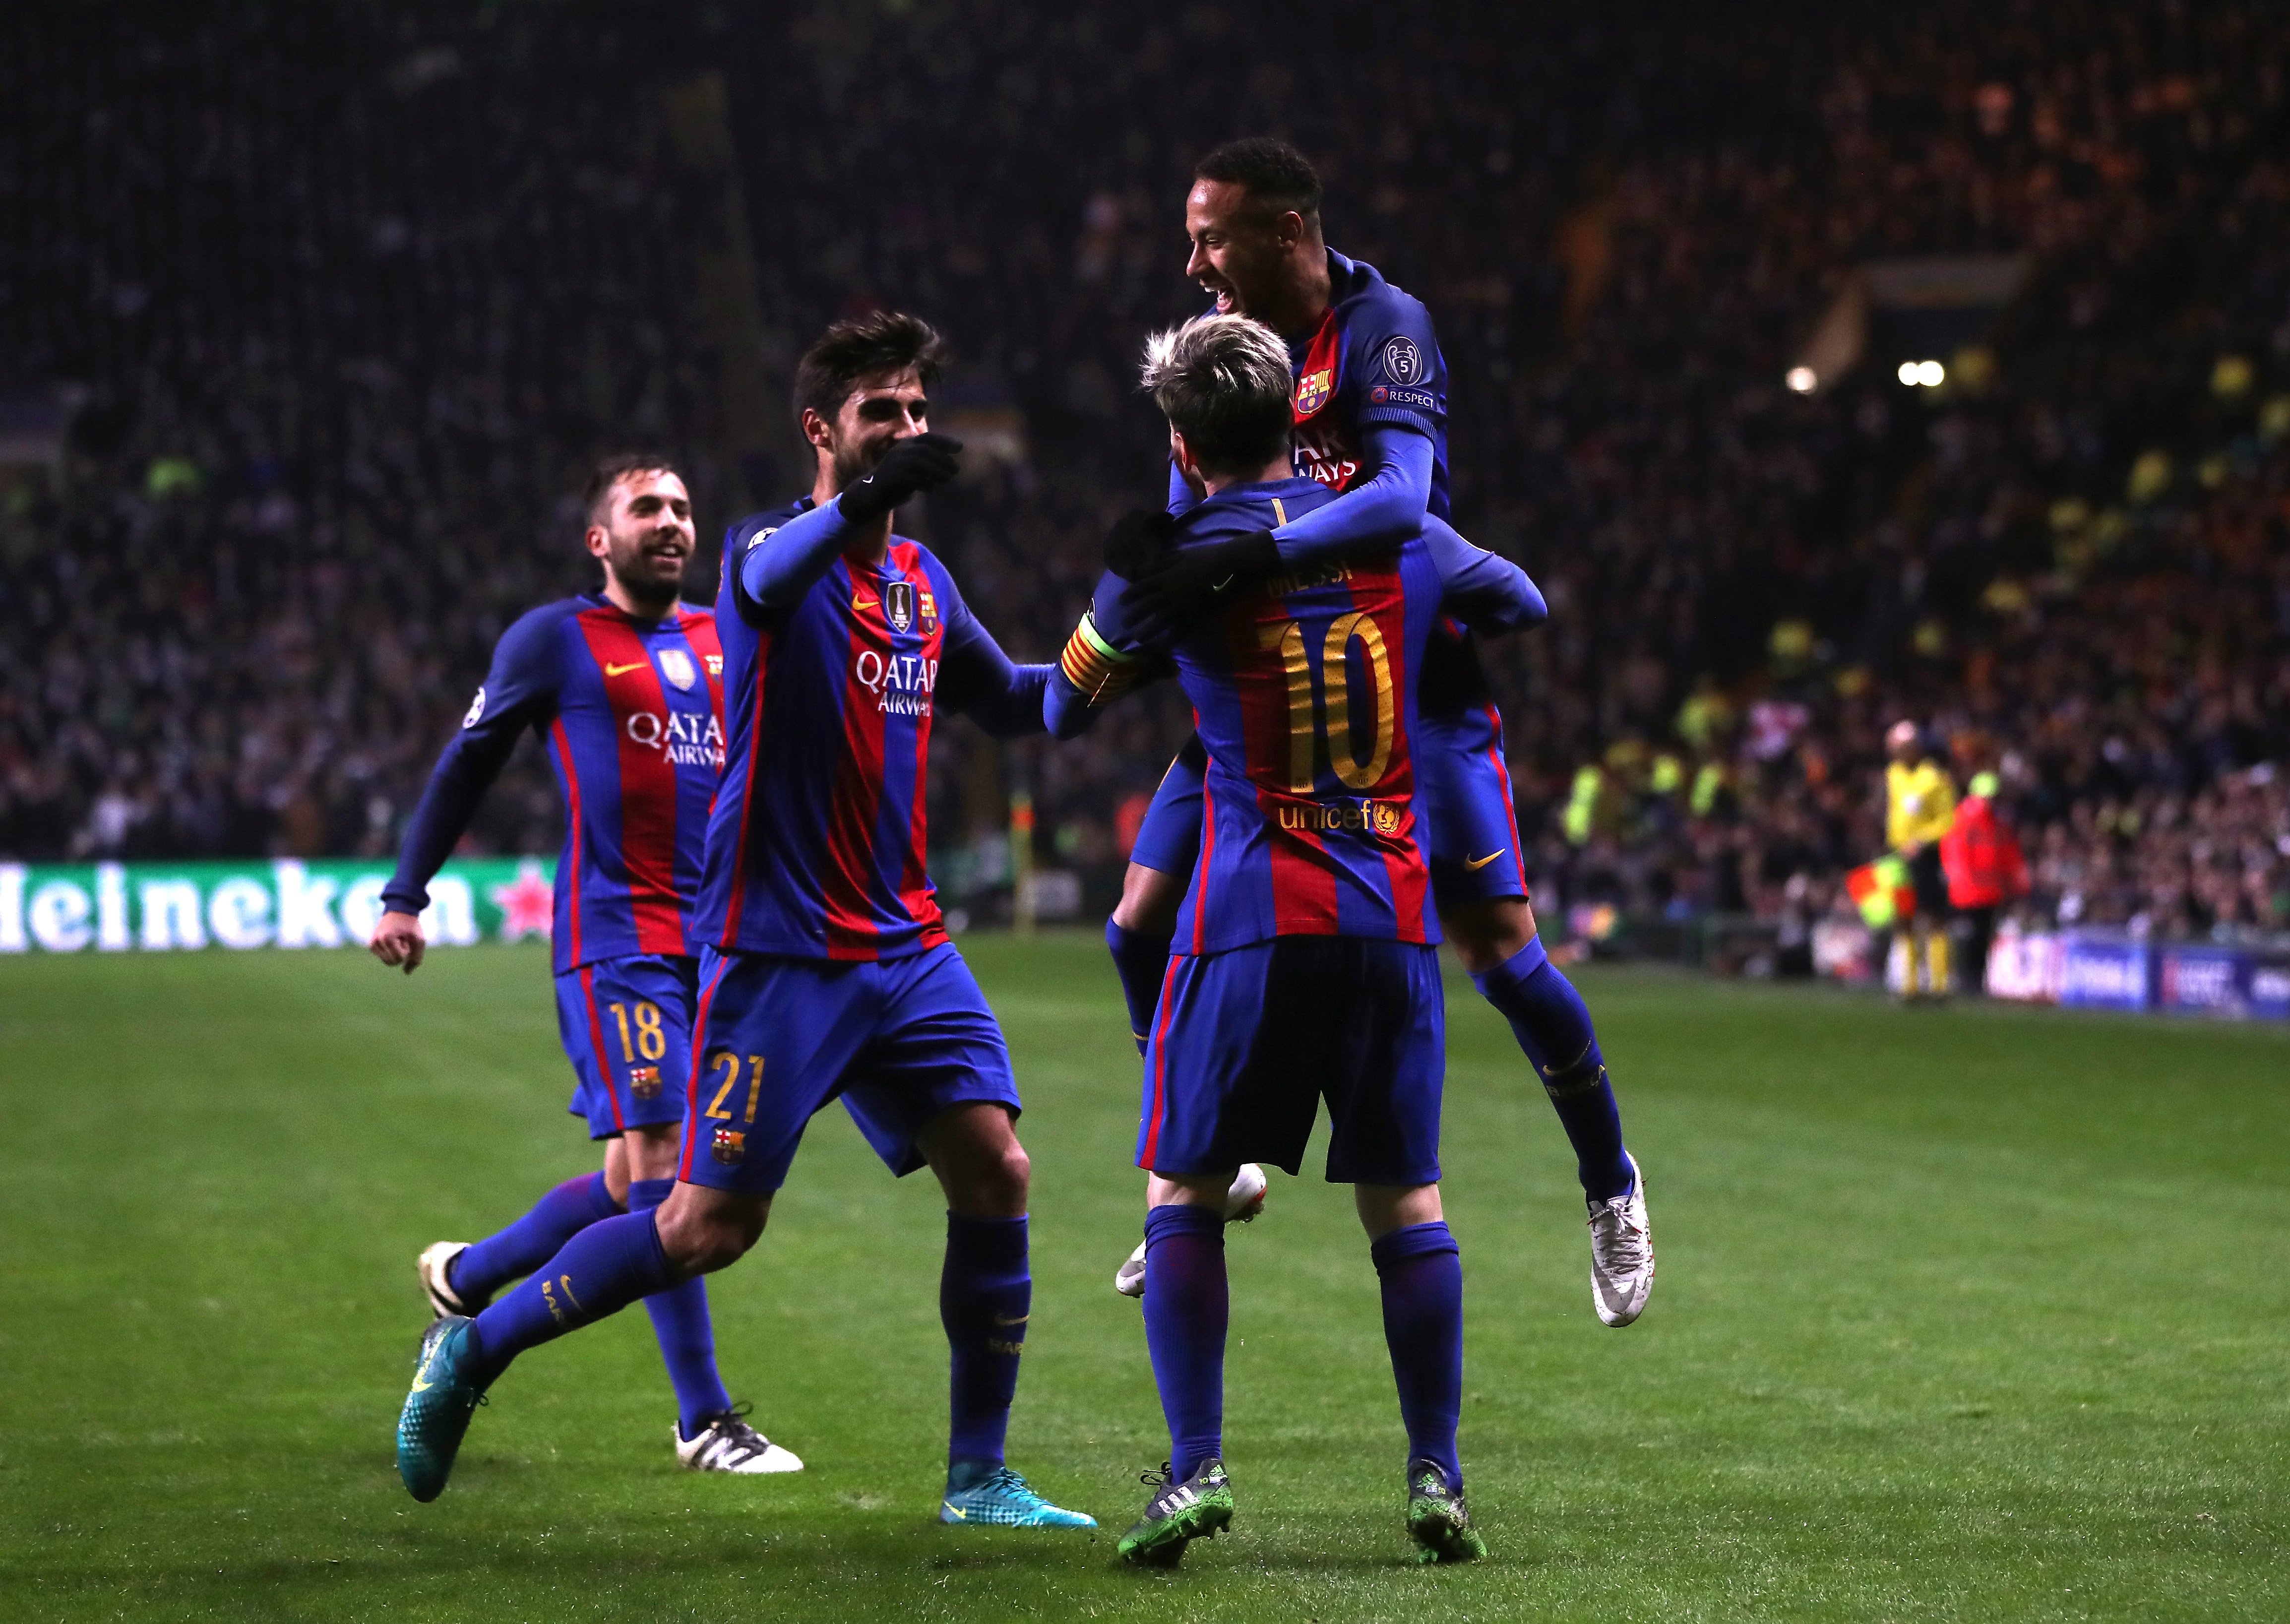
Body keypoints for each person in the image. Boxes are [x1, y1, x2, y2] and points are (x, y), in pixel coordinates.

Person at [391, 313, 1093, 1529]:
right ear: (823, 430)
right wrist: (863, 494)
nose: (910, 432)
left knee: (998, 1167)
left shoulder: (924, 583)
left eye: (920, 413)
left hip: (908, 947)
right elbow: (767, 575)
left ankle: (977, 1475)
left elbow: (1029, 701)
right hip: (782, 956)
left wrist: (1127, 628)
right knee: (701, 1223)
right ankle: (481, 1341)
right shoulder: (770, 553)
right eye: (883, 413)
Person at [1102, 137, 1651, 1327]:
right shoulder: (1217, 359)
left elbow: (1402, 502)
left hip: (1405, 682)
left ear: (1286, 230)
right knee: (1134, 922)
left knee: (1502, 953)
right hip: (1266, 687)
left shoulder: (1380, 322)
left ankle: (1608, 1181)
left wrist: (1264, 545)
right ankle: (1220, 1153)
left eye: (1211, 236)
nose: (1192, 261)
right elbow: (1184, 521)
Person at [1049, 314, 1546, 1565]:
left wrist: (1147, 605)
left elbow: (1065, 701)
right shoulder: (1399, 529)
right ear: (1293, 413)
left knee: (1184, 1190)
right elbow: (1522, 598)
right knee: (1405, 1200)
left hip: (1251, 917)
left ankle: (1194, 1465)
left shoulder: (1175, 557)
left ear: (1179, 437)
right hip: (1390, 913)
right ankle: (1437, 1475)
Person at [371, 454, 797, 1476]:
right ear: (599, 539)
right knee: (663, 1172)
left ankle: (465, 1278)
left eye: (684, 508)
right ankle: (702, 1418)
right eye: (646, 507)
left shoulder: (725, 635)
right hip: (618, 937)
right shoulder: (554, 639)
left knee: (625, 1183)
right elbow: (468, 757)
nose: (671, 522)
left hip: (724, 941)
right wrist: (404, 892)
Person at [1884, 720, 1958, 998]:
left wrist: (1922, 840)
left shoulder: (1935, 778)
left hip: (1925, 856)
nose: (1898, 753)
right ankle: (1910, 984)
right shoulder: (1894, 774)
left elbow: (1947, 819)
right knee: (1903, 916)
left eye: (1903, 747)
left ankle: (1939, 984)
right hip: (1898, 854)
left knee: (1932, 916)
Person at [1939, 769, 2027, 995]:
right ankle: (1964, 978)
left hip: (1990, 890)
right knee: (1969, 936)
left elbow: (2008, 854)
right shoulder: (1964, 820)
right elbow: (1955, 854)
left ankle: (1976, 980)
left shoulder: (1998, 823)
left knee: (1983, 937)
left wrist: (2016, 882)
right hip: (1969, 891)